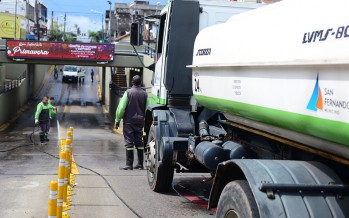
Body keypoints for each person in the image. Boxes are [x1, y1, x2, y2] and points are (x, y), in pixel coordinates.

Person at [115, 75, 147, 170]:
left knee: (129, 142)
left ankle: (129, 164)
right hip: (140, 120)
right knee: (139, 141)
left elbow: (121, 108)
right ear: (140, 82)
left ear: (132, 82)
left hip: (129, 121)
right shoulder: (145, 94)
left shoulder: (128, 92)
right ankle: (140, 164)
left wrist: (117, 120)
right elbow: (146, 108)